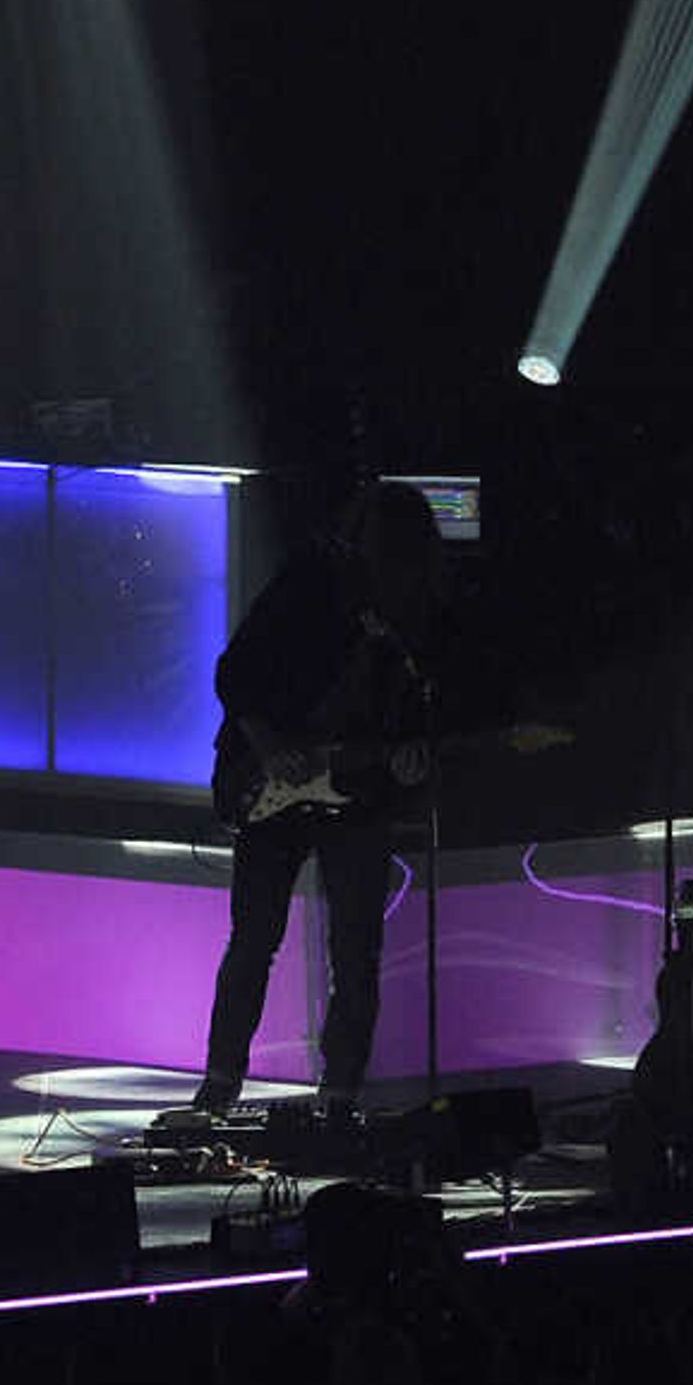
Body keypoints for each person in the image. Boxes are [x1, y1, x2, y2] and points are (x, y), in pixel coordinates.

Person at [192, 480, 445, 1119]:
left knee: (356, 949)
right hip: (270, 779)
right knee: (255, 940)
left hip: (357, 794)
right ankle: (221, 1079)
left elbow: (412, 713)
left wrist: (412, 757)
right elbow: (235, 672)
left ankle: (339, 1092)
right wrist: (270, 746)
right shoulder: (307, 584)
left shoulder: (413, 617)